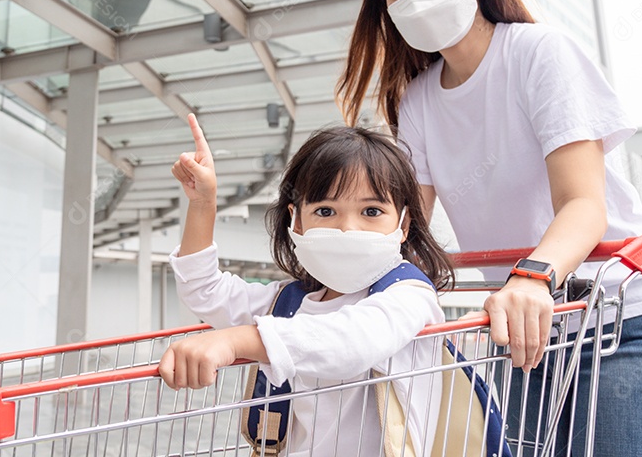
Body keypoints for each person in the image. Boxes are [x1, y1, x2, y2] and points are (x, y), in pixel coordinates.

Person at [336, 0, 642, 456]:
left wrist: (531, 276)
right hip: (523, 328)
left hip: (621, 315)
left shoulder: (538, 54)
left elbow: (583, 204)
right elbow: (407, 229)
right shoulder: (417, 101)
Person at [158, 113, 454, 457]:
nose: (348, 229)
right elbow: (204, 291)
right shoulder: (289, 303)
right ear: (296, 221)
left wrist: (234, 340)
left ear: (403, 225)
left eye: (371, 211)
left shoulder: (410, 294)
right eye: (326, 211)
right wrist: (202, 203)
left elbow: (351, 343)